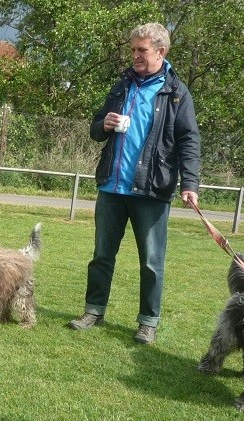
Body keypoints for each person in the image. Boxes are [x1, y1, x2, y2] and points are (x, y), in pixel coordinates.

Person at [67, 23, 201, 344]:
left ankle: (147, 322)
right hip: (111, 189)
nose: (135, 56)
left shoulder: (177, 94)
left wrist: (190, 182)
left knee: (152, 263)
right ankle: (93, 310)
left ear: (160, 52)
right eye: (133, 50)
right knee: (101, 256)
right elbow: (95, 129)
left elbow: (189, 140)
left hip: (152, 191)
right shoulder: (123, 85)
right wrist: (105, 123)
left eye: (142, 50)